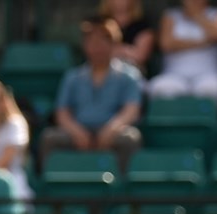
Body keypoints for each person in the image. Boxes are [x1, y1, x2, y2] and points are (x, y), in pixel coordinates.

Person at [41, 16, 143, 172]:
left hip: (112, 132)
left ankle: (123, 190)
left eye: (103, 41)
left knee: (129, 139)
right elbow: (62, 112)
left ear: (113, 44)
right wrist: (76, 132)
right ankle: (53, 187)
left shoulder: (129, 76)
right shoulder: (72, 77)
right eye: (92, 42)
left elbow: (131, 110)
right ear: (85, 45)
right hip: (78, 133)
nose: (97, 48)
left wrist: (111, 129)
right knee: (50, 138)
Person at [146, 0, 217, 102]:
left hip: (209, 74)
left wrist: (196, 15)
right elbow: (166, 44)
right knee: (160, 87)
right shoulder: (171, 15)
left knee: (210, 88)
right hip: (174, 75)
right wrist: (203, 42)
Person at [100, 0, 156, 74]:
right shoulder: (99, 24)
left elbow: (140, 56)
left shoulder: (142, 26)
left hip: (133, 72)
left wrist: (119, 49)